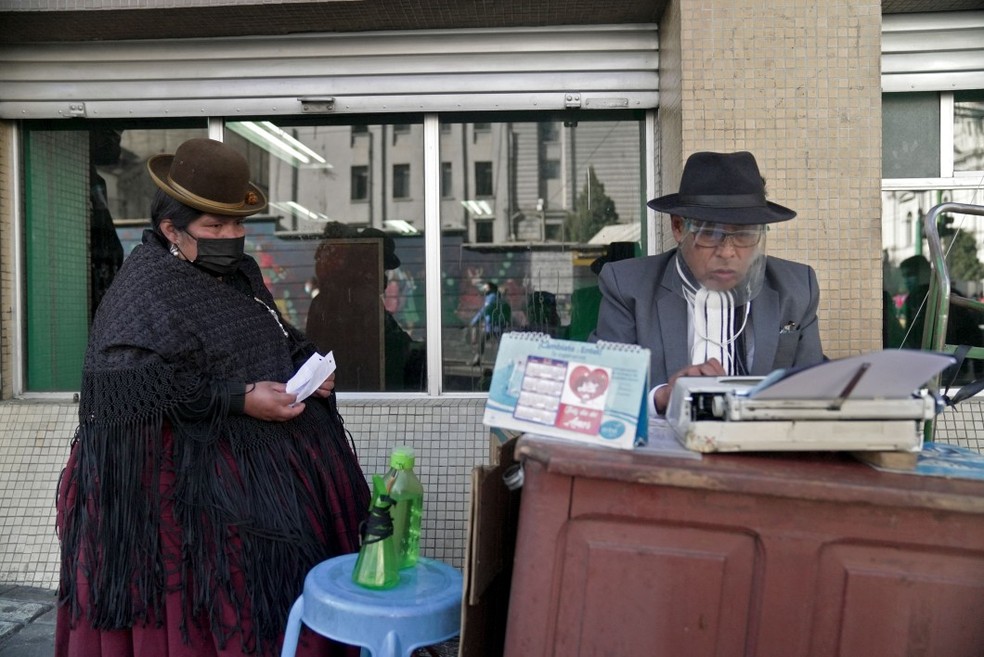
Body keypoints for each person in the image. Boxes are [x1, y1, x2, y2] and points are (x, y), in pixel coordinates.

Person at [55, 138, 370, 657]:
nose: (232, 237)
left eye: (237, 224)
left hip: (273, 463)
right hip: (186, 495)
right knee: (226, 617)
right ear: (171, 230)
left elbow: (272, 330)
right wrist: (238, 399)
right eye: (215, 227)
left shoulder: (238, 272)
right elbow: (125, 381)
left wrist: (303, 363)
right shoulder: (146, 285)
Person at [593, 151, 824, 415]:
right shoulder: (628, 286)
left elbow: (814, 388)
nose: (727, 252)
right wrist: (663, 397)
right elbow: (600, 390)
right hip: (665, 449)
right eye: (710, 234)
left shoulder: (796, 288)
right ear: (678, 227)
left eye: (745, 234)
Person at [469, 280, 511, 366]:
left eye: (486, 287)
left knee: (493, 342)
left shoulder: (492, 297)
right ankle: (478, 359)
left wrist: (474, 321)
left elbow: (485, 310)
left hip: (494, 325)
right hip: (495, 325)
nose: (484, 289)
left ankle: (479, 360)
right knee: (486, 341)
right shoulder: (496, 296)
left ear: (490, 289)